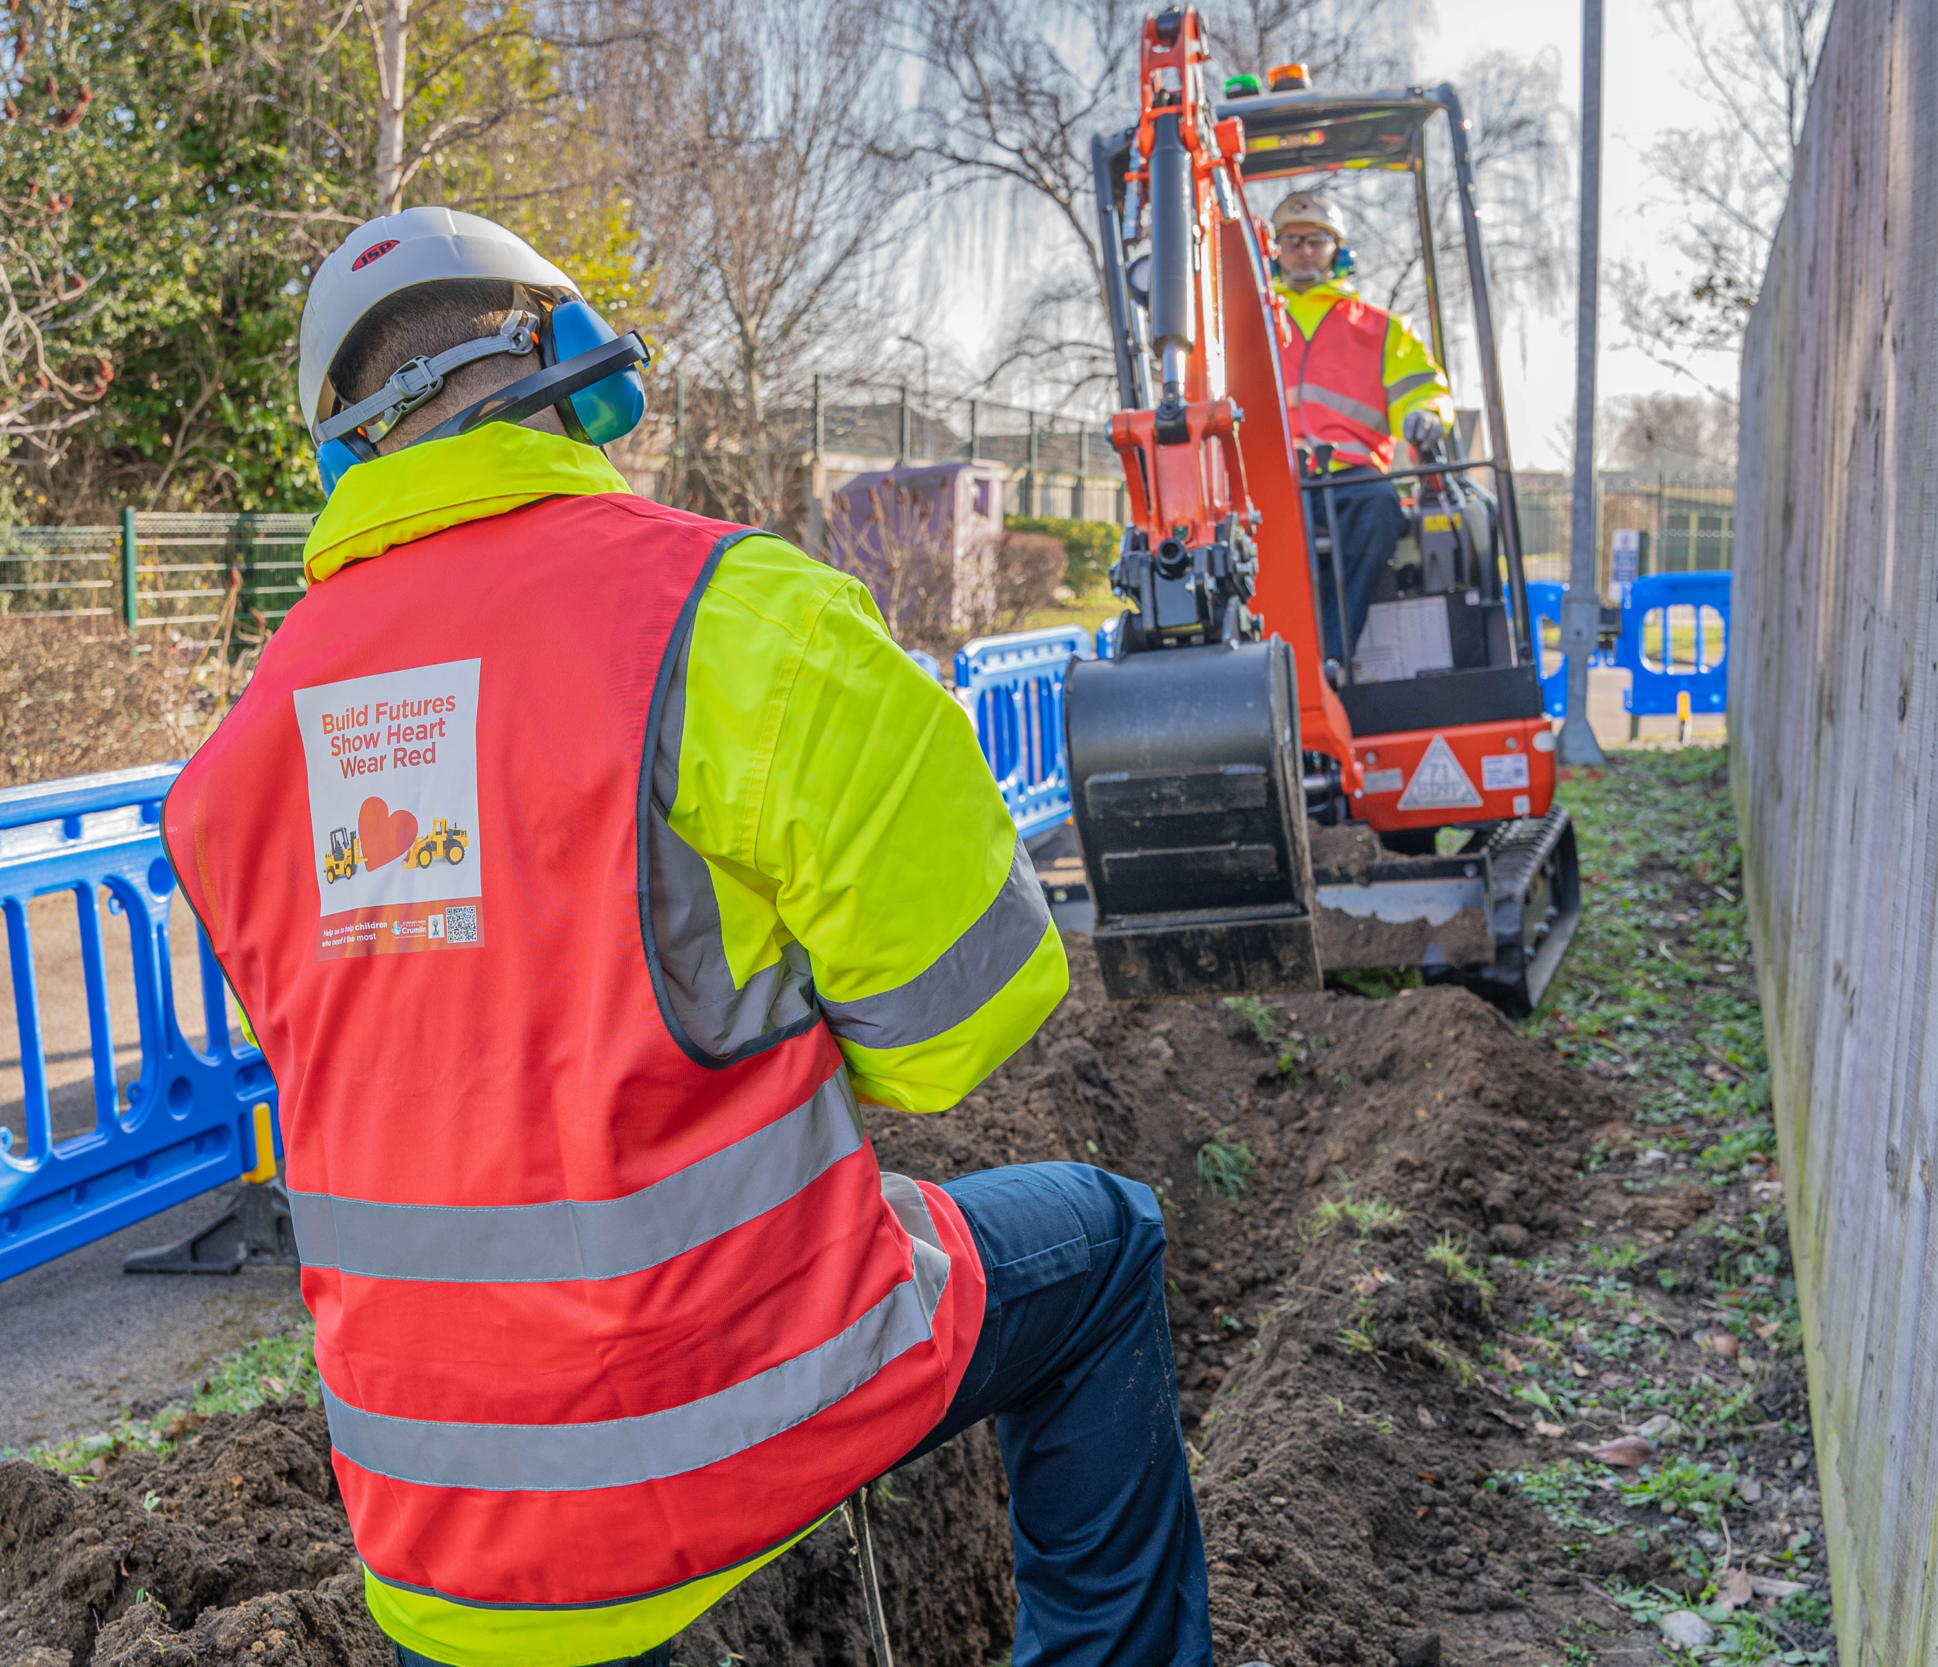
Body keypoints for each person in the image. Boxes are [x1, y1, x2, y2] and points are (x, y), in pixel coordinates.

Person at [161, 206, 1216, 1667]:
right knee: (1105, 1246)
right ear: (571, 365)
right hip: (714, 1409)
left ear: (342, 453)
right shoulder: (733, 613)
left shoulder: (232, 766)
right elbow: (953, 1022)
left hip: (429, 1509)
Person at [1270, 188, 1456, 675]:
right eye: (1292, 240)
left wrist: (1429, 414)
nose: (1304, 251)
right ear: (1276, 252)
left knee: (1380, 510)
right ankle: (1273, 652)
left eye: (1316, 240)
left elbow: (1422, 389)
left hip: (1354, 477)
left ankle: (1328, 654)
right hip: (1272, 478)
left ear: (1338, 251)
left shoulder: (1383, 328)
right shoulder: (1251, 325)